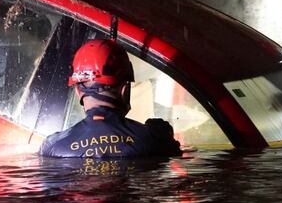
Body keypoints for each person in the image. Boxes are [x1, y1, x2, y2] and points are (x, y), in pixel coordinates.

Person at [40, 39, 181, 159]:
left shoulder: (52, 147)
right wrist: (164, 134)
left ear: (78, 91)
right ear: (124, 90)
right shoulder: (155, 139)